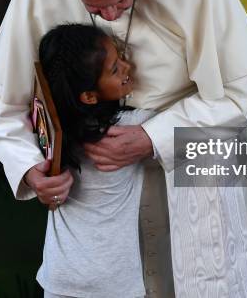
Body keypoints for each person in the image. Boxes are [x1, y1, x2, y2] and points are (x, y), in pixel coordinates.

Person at [0, 0, 247, 297]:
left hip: (190, 164)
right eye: (93, 6)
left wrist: (150, 137)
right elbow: (4, 102)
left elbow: (239, 93)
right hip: (94, 198)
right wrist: (29, 168)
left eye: (120, 1)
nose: (109, 18)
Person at [35, 23, 154, 298]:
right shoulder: (131, 127)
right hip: (113, 282)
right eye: (114, 69)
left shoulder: (56, 136)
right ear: (88, 95)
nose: (126, 67)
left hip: (60, 276)